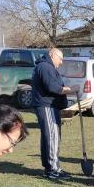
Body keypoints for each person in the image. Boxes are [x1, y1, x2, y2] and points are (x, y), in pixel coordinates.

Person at [31, 48, 72, 180]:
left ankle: (51, 166)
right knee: (52, 136)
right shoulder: (45, 67)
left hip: (50, 105)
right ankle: (52, 169)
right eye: (60, 59)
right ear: (52, 55)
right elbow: (51, 87)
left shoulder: (46, 67)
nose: (61, 62)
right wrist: (65, 90)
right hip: (46, 105)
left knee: (50, 136)